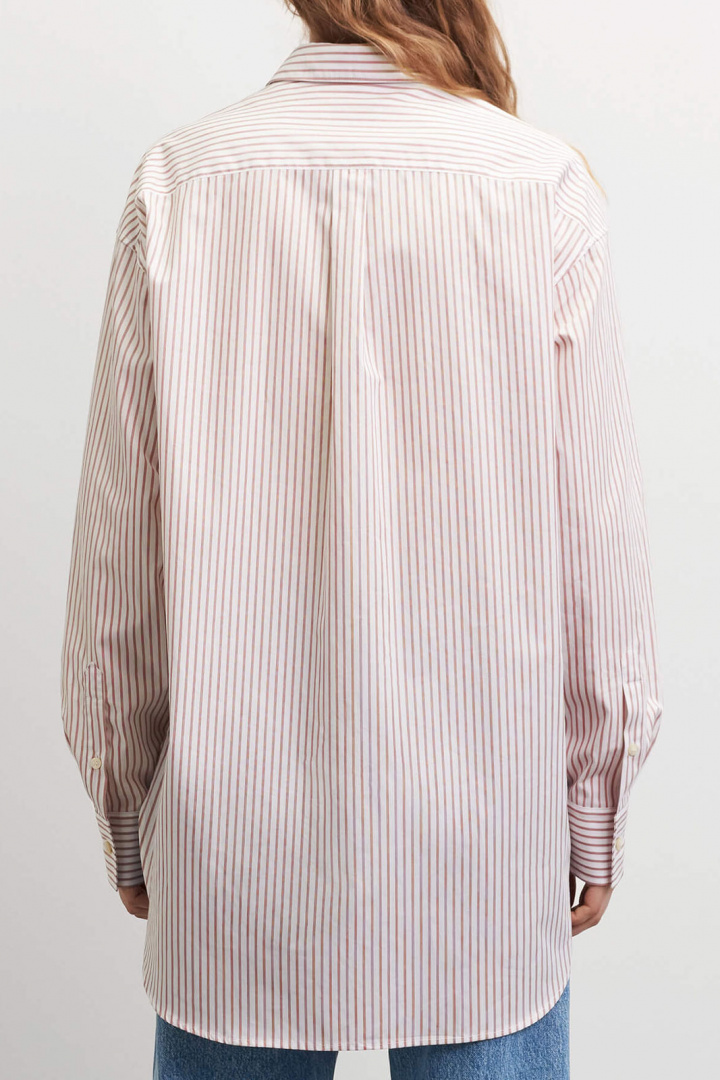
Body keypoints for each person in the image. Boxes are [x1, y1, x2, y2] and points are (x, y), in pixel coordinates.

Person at [60, 1, 663, 1077]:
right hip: (480, 852)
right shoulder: (537, 187)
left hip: (238, 846)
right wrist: (593, 804)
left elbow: (119, 554)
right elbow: (597, 543)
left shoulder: (181, 184)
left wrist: (123, 799)